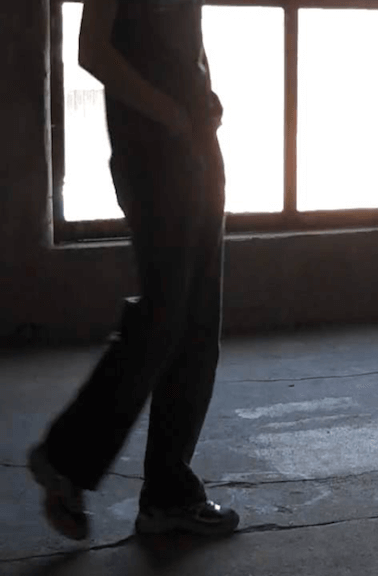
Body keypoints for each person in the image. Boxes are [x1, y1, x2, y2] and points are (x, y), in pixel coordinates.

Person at [27, 0, 238, 540]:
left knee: (194, 327)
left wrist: (203, 100)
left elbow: (184, 39)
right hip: (156, 154)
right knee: (166, 318)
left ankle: (165, 494)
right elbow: (93, 50)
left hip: (192, 147)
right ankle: (71, 460)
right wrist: (172, 115)